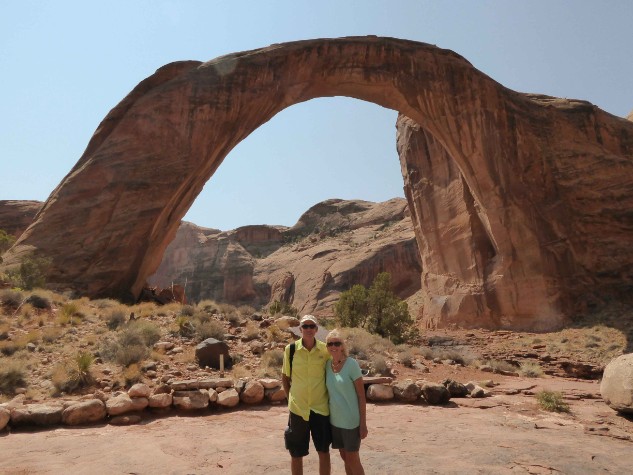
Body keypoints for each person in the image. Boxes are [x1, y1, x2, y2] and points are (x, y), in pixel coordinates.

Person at [282, 315, 332, 475]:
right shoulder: (290, 350)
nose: (309, 329)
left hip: (320, 408)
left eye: (312, 326)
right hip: (298, 408)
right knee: (296, 453)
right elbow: (285, 377)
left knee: (323, 451)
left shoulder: (325, 350)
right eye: (305, 326)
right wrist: (290, 398)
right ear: (300, 329)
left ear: (317, 330)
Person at [325, 329, 367, 475]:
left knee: (353, 458)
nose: (333, 346)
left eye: (337, 343)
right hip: (335, 421)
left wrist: (363, 424)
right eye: (330, 343)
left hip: (351, 422)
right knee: (344, 457)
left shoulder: (352, 365)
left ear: (343, 345)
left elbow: (361, 396)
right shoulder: (327, 366)